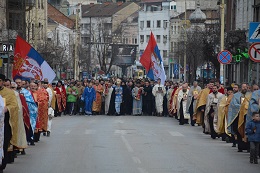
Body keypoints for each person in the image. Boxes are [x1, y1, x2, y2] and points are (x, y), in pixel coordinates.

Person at [0, 74, 20, 171]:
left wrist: (7, 108)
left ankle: (1, 164)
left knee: (3, 144)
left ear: (3, 82)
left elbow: (14, 105)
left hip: (4, 123)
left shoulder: (9, 93)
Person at [228, 83, 251, 152]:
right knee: (239, 130)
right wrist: (242, 107)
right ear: (241, 88)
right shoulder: (236, 95)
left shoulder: (250, 95)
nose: (244, 88)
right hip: (238, 116)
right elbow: (233, 105)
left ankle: (248, 147)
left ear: (247, 87)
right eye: (243, 87)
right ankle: (240, 146)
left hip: (247, 116)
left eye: (245, 87)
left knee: (247, 130)